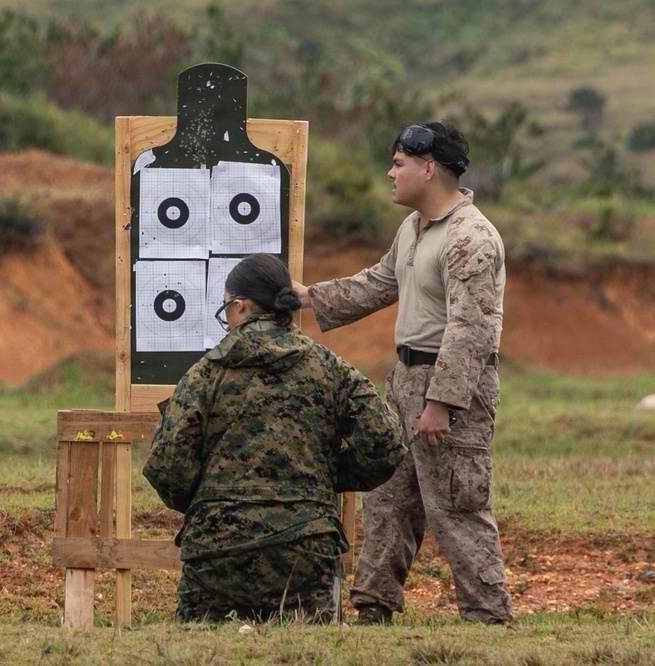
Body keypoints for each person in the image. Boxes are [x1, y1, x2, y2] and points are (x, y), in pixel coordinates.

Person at [293, 121, 512, 625]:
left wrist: (442, 403)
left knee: (456, 503)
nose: (390, 173)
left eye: (399, 163)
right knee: (389, 499)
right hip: (405, 379)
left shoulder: (471, 237)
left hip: (449, 386)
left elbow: (471, 330)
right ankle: (374, 605)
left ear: (429, 167)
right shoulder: (413, 229)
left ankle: (487, 615)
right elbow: (379, 282)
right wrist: (311, 298)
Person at [143, 253, 406, 623]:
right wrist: (326, 475)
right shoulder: (331, 368)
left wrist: (210, 503)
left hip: (216, 559)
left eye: (226, 308)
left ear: (240, 306)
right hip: (306, 558)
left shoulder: (204, 375)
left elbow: (166, 467)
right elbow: (387, 444)